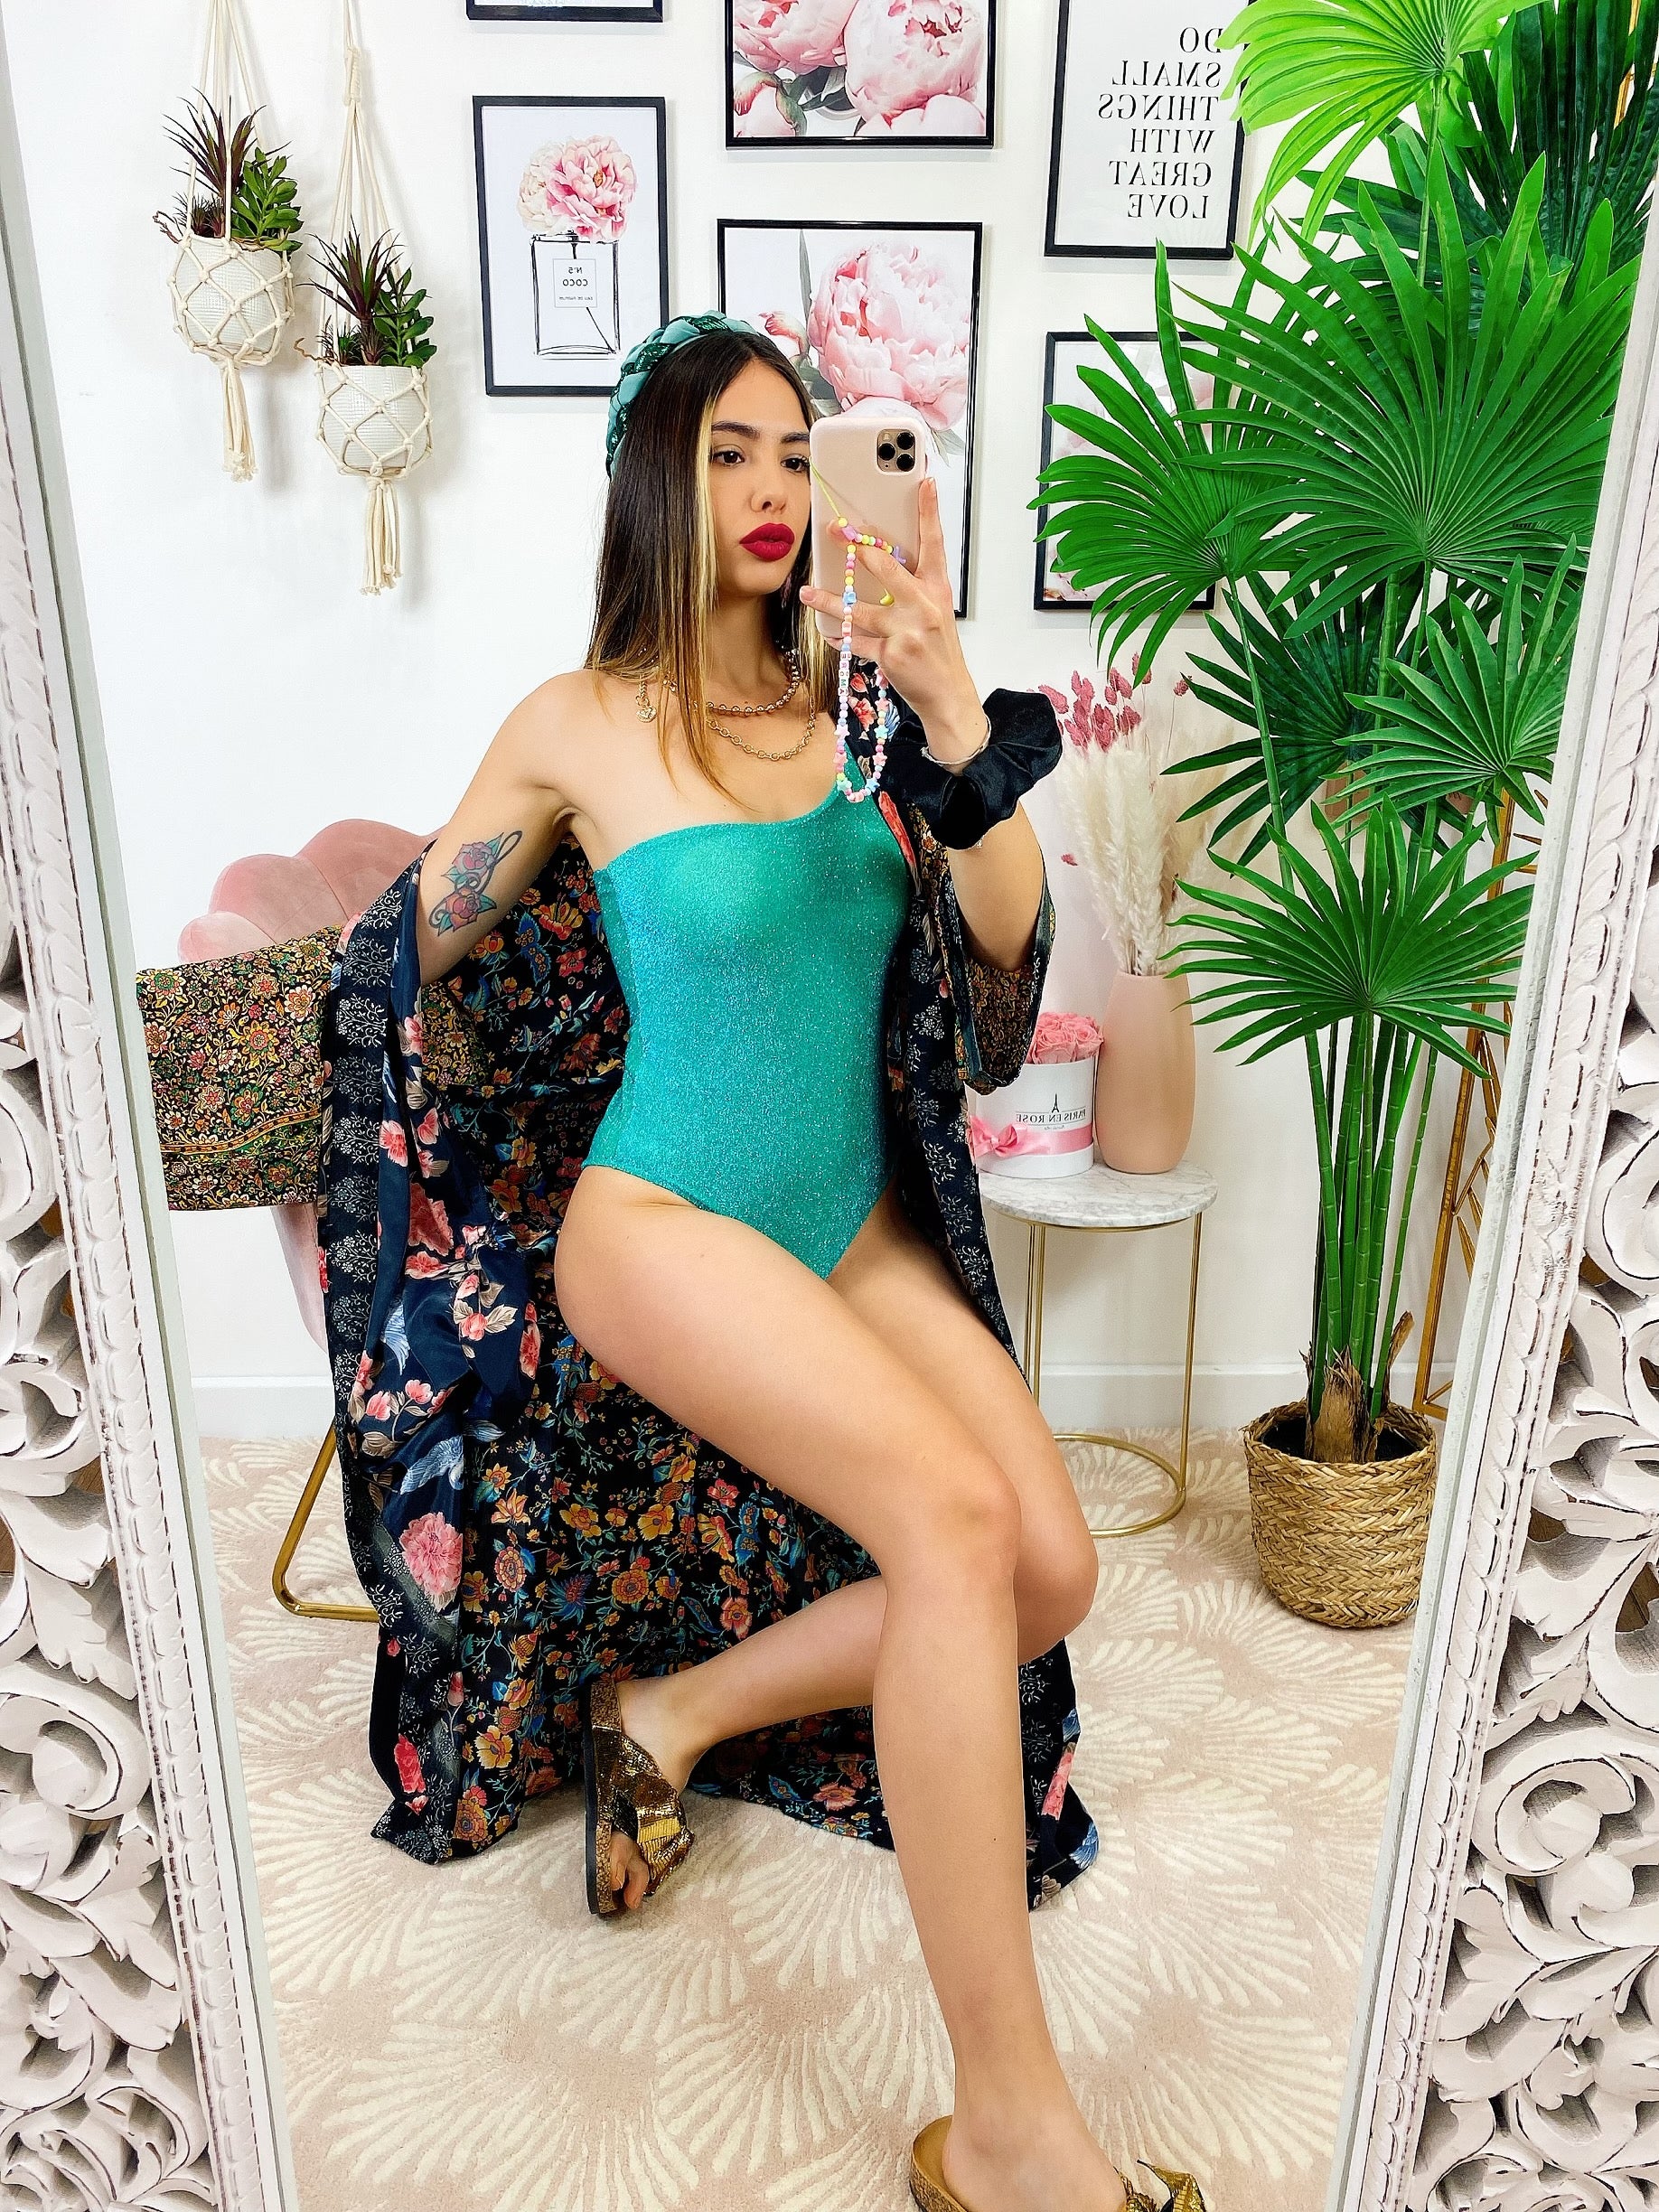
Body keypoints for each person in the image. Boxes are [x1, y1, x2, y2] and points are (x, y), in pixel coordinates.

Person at [316, 314, 1203, 2212]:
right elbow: (406, 952)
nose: (775, 488)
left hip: (854, 1220)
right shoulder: (579, 723)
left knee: (1047, 1571)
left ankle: (680, 1710)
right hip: (663, 1224)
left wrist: (950, 703)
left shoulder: (869, 719)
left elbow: (1005, 966)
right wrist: (182, 1038)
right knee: (949, 1529)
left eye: (800, 452)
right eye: (728, 452)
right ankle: (1010, 2128)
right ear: (657, 476)